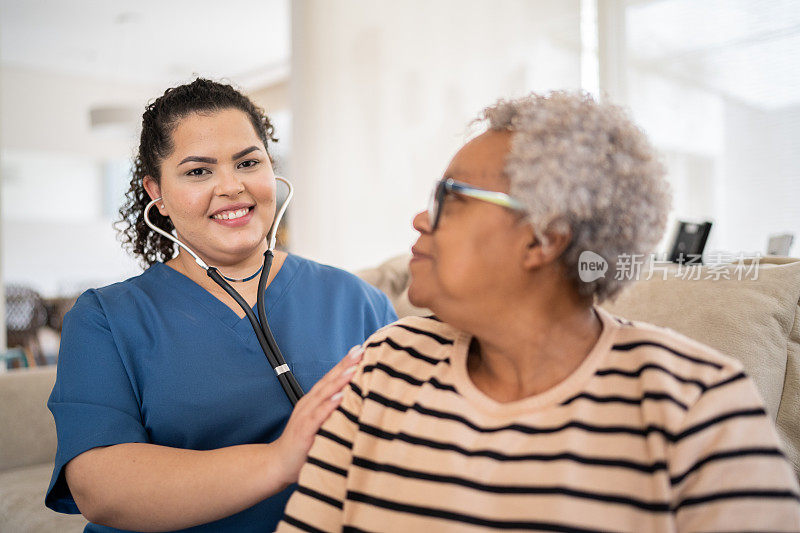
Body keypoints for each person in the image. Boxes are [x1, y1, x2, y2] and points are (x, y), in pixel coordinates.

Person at [278, 92, 800, 532]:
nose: (420, 218)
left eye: (450, 198)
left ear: (543, 239)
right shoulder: (385, 363)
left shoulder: (701, 409)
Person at [45, 78, 397, 532]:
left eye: (248, 162)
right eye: (198, 171)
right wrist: (278, 461)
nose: (231, 186)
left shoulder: (357, 300)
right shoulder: (104, 319)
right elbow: (101, 487)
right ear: (158, 194)